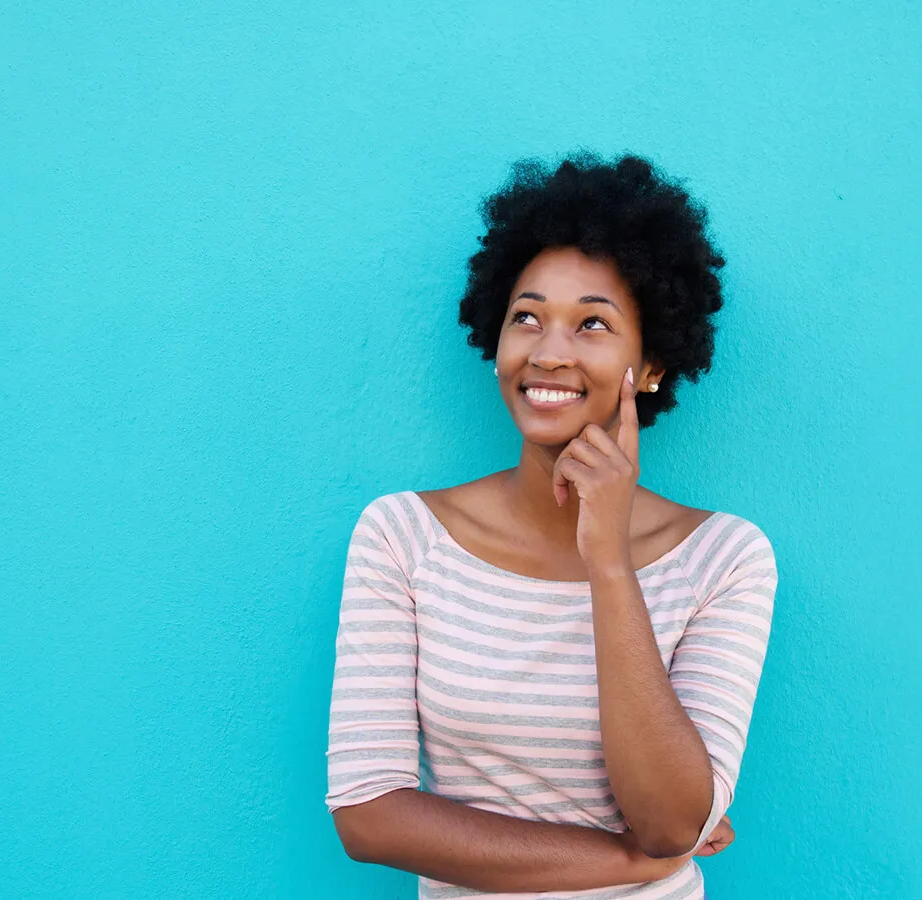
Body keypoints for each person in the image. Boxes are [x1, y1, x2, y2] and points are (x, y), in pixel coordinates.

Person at [324, 152, 778, 899]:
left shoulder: (723, 558)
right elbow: (370, 817)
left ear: (653, 364)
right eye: (526, 317)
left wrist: (607, 559)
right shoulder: (403, 537)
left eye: (592, 324)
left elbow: (668, 818)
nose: (549, 351)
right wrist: (632, 861)